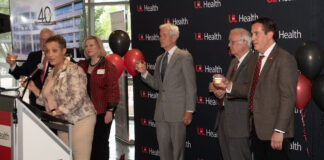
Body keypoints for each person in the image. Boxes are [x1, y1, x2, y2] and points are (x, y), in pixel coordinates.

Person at [215, 17, 298, 160]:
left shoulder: (284, 58)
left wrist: (279, 130)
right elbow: (250, 90)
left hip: (275, 131)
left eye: (256, 33)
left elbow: (288, 97)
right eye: (252, 34)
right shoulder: (255, 59)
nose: (252, 38)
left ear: (270, 34)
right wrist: (229, 86)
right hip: (256, 130)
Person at [23, 35, 96, 160]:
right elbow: (43, 100)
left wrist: (55, 111)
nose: (50, 54)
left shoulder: (74, 70)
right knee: (65, 157)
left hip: (80, 120)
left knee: (79, 157)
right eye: (47, 51)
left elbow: (78, 99)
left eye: (54, 50)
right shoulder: (52, 73)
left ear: (63, 51)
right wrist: (33, 88)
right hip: (62, 122)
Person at [135, 23, 197, 160]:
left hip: (178, 112)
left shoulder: (184, 56)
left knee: (177, 152)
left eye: (164, 35)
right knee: (164, 152)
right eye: (160, 35)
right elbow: (157, 85)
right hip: (161, 113)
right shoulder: (159, 59)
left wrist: (189, 110)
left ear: (174, 37)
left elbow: (190, 86)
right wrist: (144, 73)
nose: (160, 38)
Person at [209, 28, 253, 160]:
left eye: (232, 42)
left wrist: (227, 86)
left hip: (239, 125)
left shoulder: (253, 61)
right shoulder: (234, 62)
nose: (229, 45)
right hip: (224, 121)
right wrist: (220, 92)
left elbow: (250, 90)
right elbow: (230, 89)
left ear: (244, 43)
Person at [78, 35, 120, 160]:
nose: (88, 48)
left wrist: (110, 111)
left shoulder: (107, 66)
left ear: (99, 46)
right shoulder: (82, 65)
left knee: (100, 143)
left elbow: (113, 90)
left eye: (91, 45)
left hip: (102, 112)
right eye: (86, 46)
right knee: (87, 143)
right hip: (85, 113)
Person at [6, 28, 54, 109]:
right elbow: (19, 73)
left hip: (53, 105)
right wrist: (13, 65)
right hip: (35, 106)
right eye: (41, 39)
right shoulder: (33, 56)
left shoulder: (58, 59)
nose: (44, 42)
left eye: (47, 39)